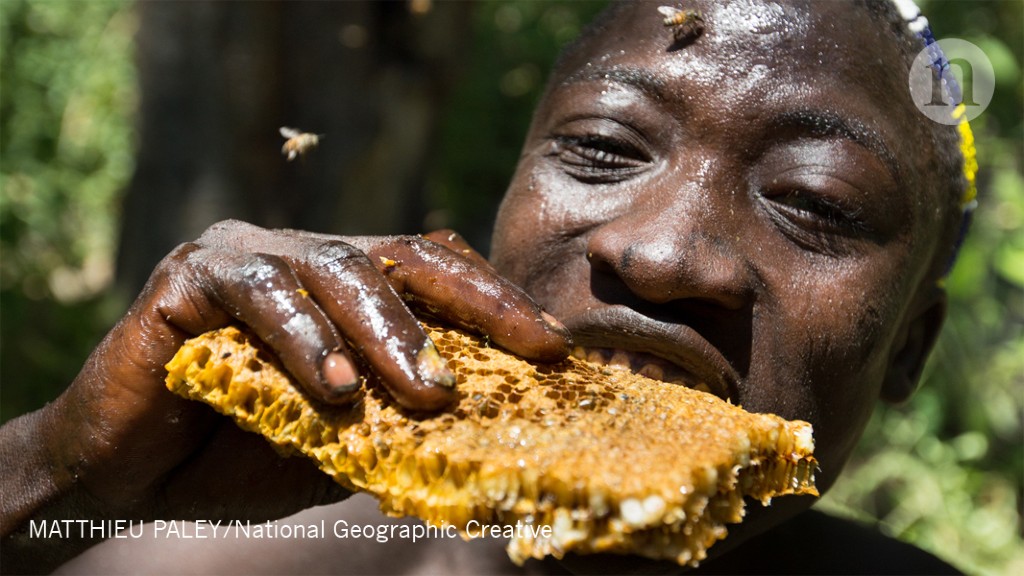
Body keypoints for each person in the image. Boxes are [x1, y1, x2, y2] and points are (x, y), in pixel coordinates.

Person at [1, 0, 973, 573]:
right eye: (602, 147)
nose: (663, 256)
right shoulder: (189, 557)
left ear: (909, 348)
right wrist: (54, 474)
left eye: (815, 201)